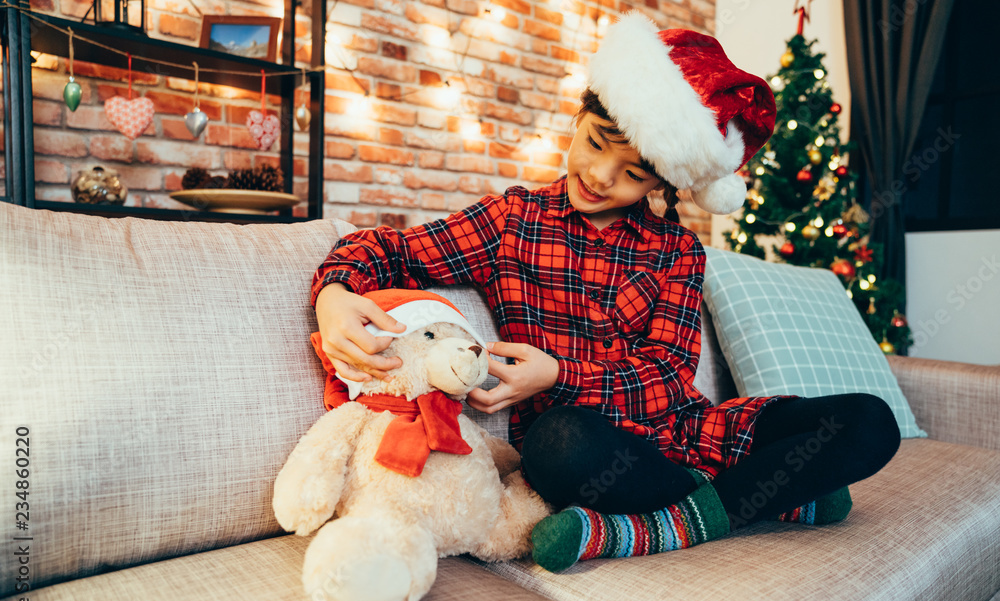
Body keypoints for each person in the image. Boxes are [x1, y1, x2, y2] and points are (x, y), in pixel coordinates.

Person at [309, 13, 900, 572]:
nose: (600, 175)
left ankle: (674, 521)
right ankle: (757, 501)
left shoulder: (678, 252)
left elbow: (668, 377)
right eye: (595, 143)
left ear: (663, 180)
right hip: (588, 450)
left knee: (872, 423)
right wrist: (334, 291)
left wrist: (560, 373)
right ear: (579, 119)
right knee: (557, 443)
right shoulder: (512, 220)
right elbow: (394, 249)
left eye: (634, 172)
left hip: (689, 433)